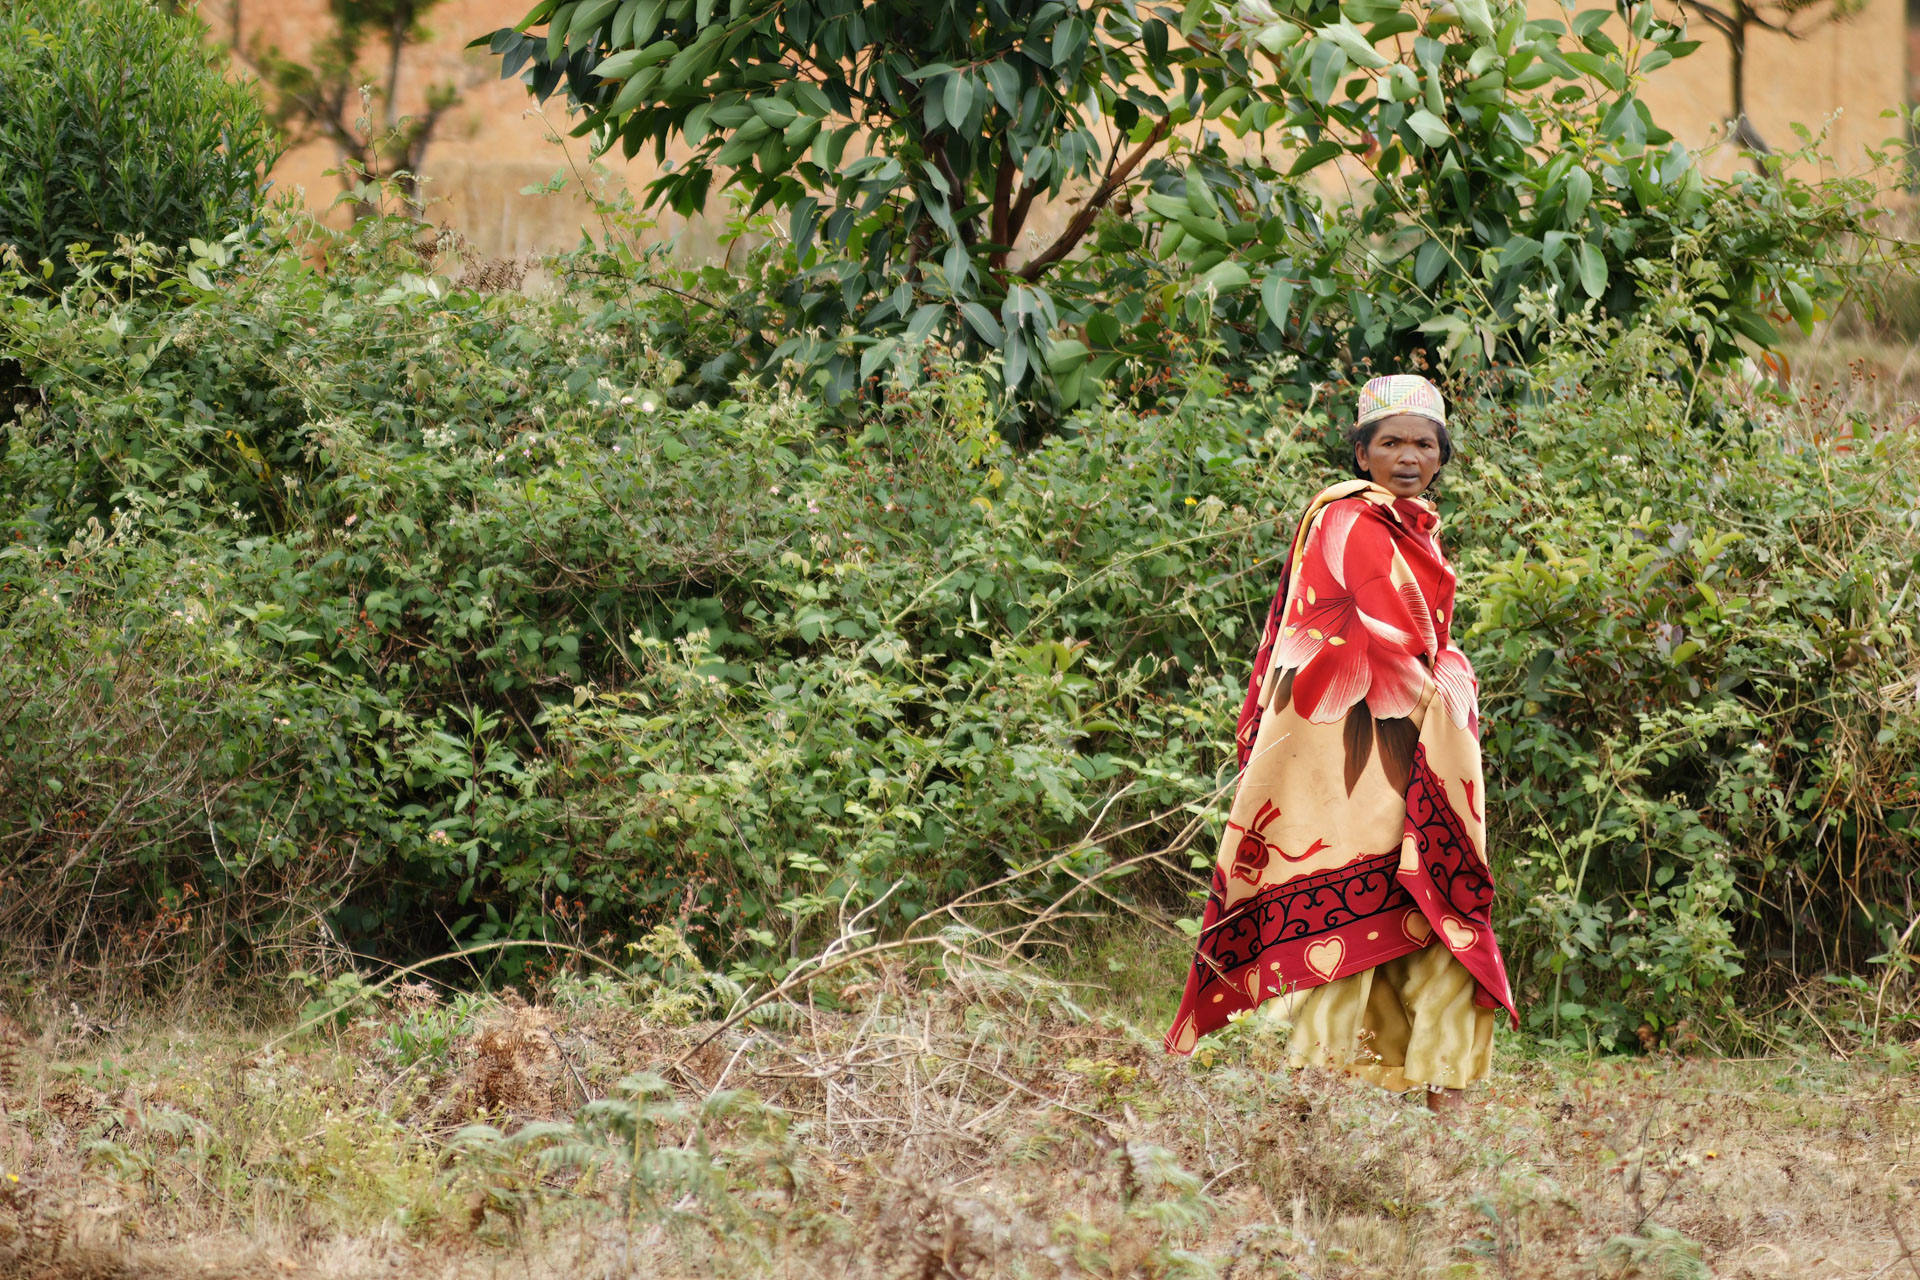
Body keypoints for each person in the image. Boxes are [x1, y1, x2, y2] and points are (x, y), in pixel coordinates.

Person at [1164, 374, 1517, 1111]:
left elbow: (1416, 643)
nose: (1409, 456)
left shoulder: (1416, 527)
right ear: (1361, 453)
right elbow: (1386, 643)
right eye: (1390, 442)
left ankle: (1444, 1109)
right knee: (1346, 910)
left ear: (1443, 456)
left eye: (1425, 443)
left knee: (1426, 912)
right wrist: (1448, 677)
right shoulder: (1350, 521)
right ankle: (1310, 1111)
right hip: (1346, 762)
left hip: (1406, 753)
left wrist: (1441, 676)